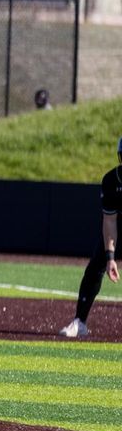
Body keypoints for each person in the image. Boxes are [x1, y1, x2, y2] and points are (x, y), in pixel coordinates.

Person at [61, 137, 122, 337]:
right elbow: (110, 221)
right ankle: (80, 322)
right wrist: (110, 258)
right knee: (96, 266)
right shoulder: (112, 180)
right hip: (118, 231)